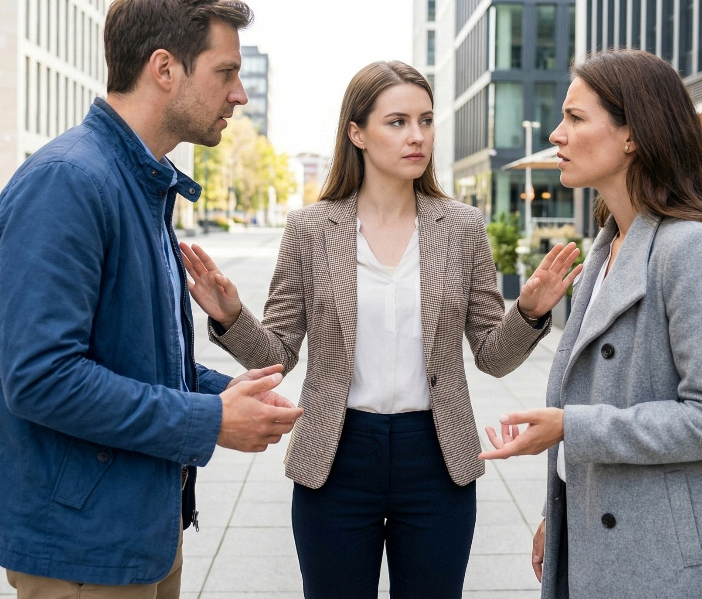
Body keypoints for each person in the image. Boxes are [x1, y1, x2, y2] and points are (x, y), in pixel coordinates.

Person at [178, 61, 581, 598]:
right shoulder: (310, 229)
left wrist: (528, 312)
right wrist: (230, 315)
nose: (417, 136)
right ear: (357, 133)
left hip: (436, 457)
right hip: (336, 456)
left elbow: (493, 357)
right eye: (397, 122)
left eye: (426, 120)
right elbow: (276, 354)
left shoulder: (462, 227)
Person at [0, 0, 303, 597]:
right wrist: (210, 420)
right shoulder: (69, 181)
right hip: (81, 546)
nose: (240, 93)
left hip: (137, 530)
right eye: (225, 72)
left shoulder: (138, 183)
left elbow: (133, 357)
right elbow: (41, 378)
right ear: (164, 69)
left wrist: (224, 393)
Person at [479, 49, 702, 598]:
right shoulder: (607, 245)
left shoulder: (693, 249)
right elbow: (599, 393)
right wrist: (558, 512)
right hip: (607, 538)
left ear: (633, 135)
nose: (557, 135)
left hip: (675, 561)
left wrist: (571, 427)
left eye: (575, 118)